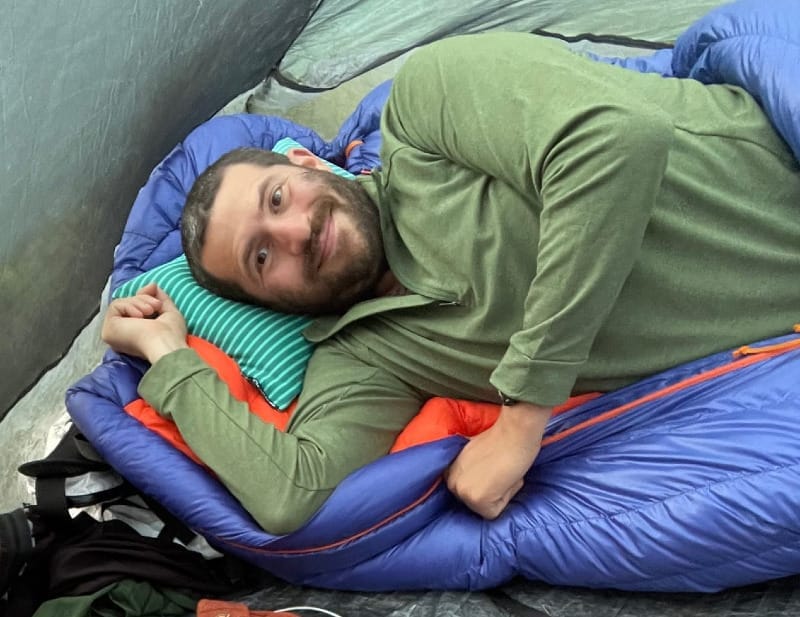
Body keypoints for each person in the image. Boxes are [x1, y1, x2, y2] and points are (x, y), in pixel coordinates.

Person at [100, 31, 800, 536]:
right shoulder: (364, 357)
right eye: (260, 257)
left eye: (277, 198)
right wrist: (170, 355)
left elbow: (617, 141)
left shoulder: (426, 112)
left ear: (312, 169)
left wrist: (522, 418)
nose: (292, 233)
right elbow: (292, 496)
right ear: (270, 304)